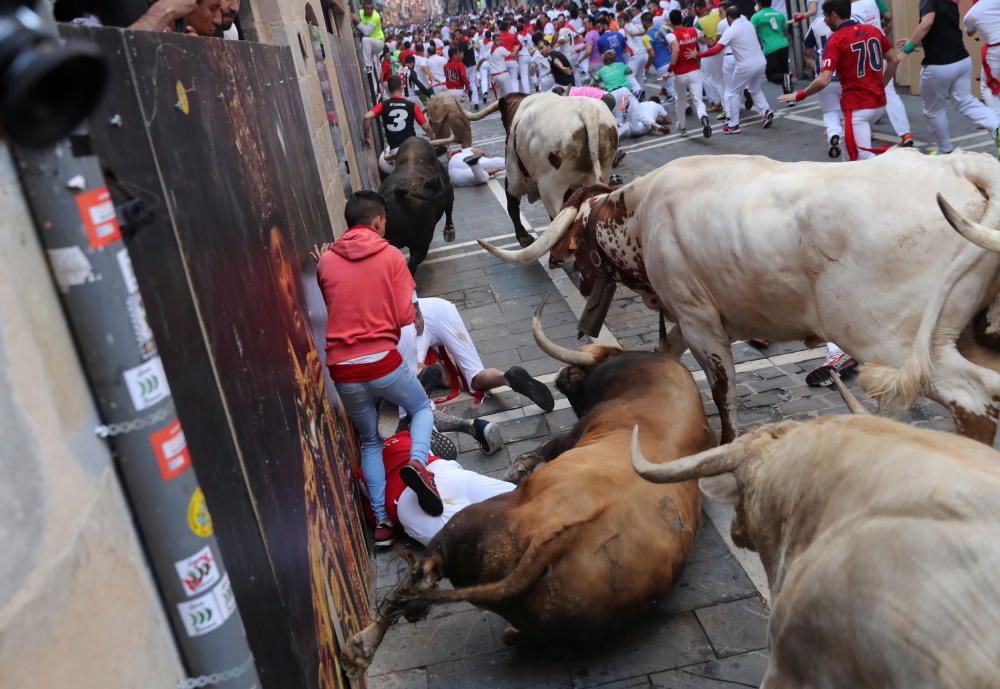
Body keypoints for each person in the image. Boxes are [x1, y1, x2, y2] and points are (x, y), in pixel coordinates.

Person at [315, 192, 442, 548]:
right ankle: (418, 465)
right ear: (377, 222)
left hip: (342, 369)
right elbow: (405, 317)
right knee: (419, 408)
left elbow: (334, 303)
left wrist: (321, 262)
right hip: (381, 362)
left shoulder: (326, 261)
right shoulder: (390, 256)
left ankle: (382, 525)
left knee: (370, 440)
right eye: (384, 221)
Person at [779, 0, 901, 161]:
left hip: (857, 106)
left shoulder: (836, 40)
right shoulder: (872, 30)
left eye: (826, 16)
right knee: (851, 149)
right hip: (878, 102)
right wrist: (883, 83)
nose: (825, 21)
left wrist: (800, 94)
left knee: (857, 155)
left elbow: (823, 80)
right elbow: (894, 59)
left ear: (834, 15)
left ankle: (894, 171)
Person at [376, 431, 515, 546]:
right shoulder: (406, 435)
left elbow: (380, 517)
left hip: (403, 499)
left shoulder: (363, 471)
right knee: (521, 498)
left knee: (475, 542)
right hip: (440, 470)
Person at [901, 0, 1000, 156]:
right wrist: (914, 42)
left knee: (933, 110)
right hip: (962, 61)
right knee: (965, 100)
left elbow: (927, 23)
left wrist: (908, 48)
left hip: (939, 65)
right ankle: (996, 127)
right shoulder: (950, 3)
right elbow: (939, 34)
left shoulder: (928, 1)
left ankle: (945, 150)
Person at [692, 5, 774, 133]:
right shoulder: (748, 24)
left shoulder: (731, 30)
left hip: (745, 65)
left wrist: (698, 54)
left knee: (732, 92)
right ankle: (766, 111)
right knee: (754, 89)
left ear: (729, 17)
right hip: (760, 62)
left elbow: (716, 49)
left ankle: (733, 125)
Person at [850, 0, 914, 146]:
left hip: (862, 58)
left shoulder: (850, 10)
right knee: (889, 93)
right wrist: (884, 30)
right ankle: (905, 133)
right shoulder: (872, 1)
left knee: (860, 94)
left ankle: (865, 130)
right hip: (879, 51)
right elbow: (888, 15)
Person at [364, 76, 436, 174]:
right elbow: (426, 127)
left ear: (388, 90)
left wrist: (367, 137)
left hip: (394, 151)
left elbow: (367, 117)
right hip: (412, 147)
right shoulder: (412, 105)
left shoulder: (383, 105)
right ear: (402, 88)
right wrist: (432, 137)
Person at [802, 12, 845, 158]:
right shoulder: (852, 20)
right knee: (850, 113)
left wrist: (817, 69)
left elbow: (807, 51)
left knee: (830, 111)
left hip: (825, 75)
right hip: (847, 75)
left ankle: (834, 134)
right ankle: (849, 140)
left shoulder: (817, 23)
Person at [665, 9, 712, 137]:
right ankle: (703, 116)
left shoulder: (671, 35)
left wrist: (669, 69)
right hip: (695, 71)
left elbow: (676, 50)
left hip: (680, 73)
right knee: (698, 100)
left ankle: (683, 127)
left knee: (680, 100)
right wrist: (695, 50)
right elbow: (703, 41)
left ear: (671, 21)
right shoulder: (693, 30)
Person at [964, 0, 1000, 117]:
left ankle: (997, 122)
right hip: (994, 49)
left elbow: (970, 32)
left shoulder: (971, 14)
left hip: (995, 50)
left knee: (987, 87)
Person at [751, 0, 791, 91]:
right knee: (785, 70)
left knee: (771, 75)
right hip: (783, 44)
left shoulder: (756, 17)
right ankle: (789, 97)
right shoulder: (779, 14)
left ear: (759, 3)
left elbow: (750, 31)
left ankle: (785, 77)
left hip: (770, 48)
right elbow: (785, 31)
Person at [353, 0, 385, 77]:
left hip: (378, 42)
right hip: (370, 44)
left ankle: (368, 66)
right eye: (367, 8)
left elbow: (366, 32)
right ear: (363, 7)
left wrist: (357, 22)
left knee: (365, 40)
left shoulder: (375, 16)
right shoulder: (360, 12)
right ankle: (372, 80)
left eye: (371, 8)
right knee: (372, 72)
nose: (370, 11)